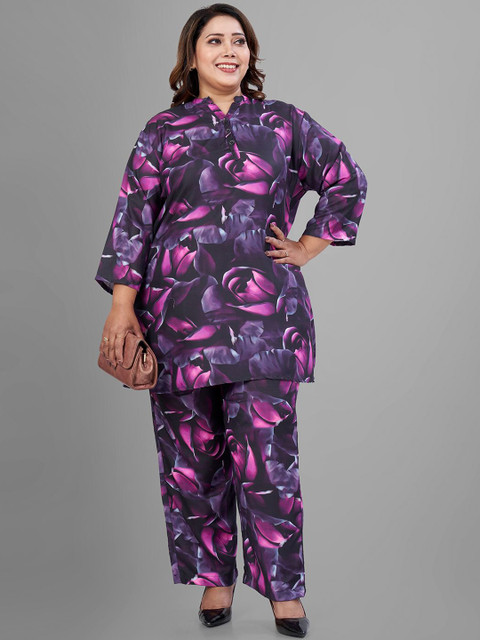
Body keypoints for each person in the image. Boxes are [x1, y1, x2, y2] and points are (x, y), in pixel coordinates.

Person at [95, 3, 367, 636]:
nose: (228, 51)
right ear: (191, 56)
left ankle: (285, 594)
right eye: (214, 40)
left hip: (267, 324)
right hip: (178, 320)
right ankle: (214, 583)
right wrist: (121, 307)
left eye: (238, 41)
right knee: (192, 461)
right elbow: (133, 221)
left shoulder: (283, 123)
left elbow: (346, 179)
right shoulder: (162, 131)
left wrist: (308, 246)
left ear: (250, 54)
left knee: (269, 465)